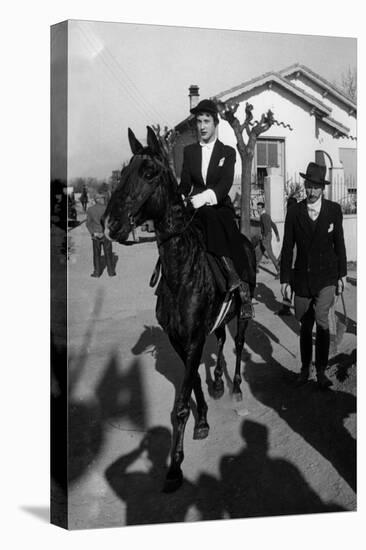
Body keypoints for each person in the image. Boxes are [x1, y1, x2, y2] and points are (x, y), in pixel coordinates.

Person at [280, 162, 347, 389]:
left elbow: (340, 243)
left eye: (316, 187)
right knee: (305, 325)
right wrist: (285, 280)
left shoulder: (333, 210)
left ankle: (321, 371)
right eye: (308, 185)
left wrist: (342, 275)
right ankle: (305, 368)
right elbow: (287, 248)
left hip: (327, 276)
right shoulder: (294, 212)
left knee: (321, 318)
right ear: (305, 184)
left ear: (323, 188)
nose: (311, 191)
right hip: (302, 279)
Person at [179, 99, 248, 298]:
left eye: (206, 121)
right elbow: (184, 183)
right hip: (193, 207)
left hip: (218, 207)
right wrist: (183, 197)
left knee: (233, 238)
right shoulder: (189, 151)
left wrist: (203, 198)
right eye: (199, 121)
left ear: (215, 123)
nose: (202, 126)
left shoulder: (227, 152)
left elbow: (224, 185)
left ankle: (235, 277)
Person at [86, 192, 116, 277]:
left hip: (95, 235)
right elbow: (112, 222)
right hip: (106, 234)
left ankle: (97, 273)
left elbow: (88, 223)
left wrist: (93, 232)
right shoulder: (108, 209)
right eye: (102, 198)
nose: (104, 199)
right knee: (108, 254)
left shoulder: (90, 209)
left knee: (96, 254)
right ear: (98, 199)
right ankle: (111, 272)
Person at [276, 196, 297, 315]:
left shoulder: (295, 217)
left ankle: (287, 308)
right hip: (291, 257)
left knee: (290, 283)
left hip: (294, 258)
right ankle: (286, 308)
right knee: (289, 283)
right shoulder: (292, 217)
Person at [257, 201, 280, 278]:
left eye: (259, 208)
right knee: (259, 251)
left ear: (263, 208)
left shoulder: (263, 216)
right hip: (269, 235)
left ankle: (279, 270)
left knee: (270, 254)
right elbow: (273, 224)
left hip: (266, 236)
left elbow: (266, 228)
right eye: (257, 208)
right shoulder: (267, 215)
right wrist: (277, 235)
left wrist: (263, 236)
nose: (258, 209)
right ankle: (255, 267)